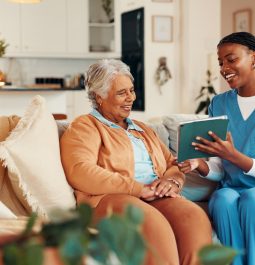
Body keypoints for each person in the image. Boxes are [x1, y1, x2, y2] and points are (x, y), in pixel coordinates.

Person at [60, 59, 212, 265]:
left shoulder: (142, 129)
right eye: (122, 93)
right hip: (108, 198)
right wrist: (137, 189)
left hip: (154, 195)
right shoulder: (86, 126)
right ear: (99, 97)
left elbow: (171, 164)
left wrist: (172, 182)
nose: (130, 98)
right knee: (150, 222)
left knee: (193, 217)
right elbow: (80, 171)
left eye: (131, 90)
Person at [177, 32, 255, 265]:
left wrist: (233, 155)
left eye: (231, 59)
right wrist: (201, 165)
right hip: (235, 191)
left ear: (254, 58)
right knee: (222, 198)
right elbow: (220, 166)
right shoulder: (219, 103)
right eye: (220, 62)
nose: (224, 68)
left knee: (254, 199)